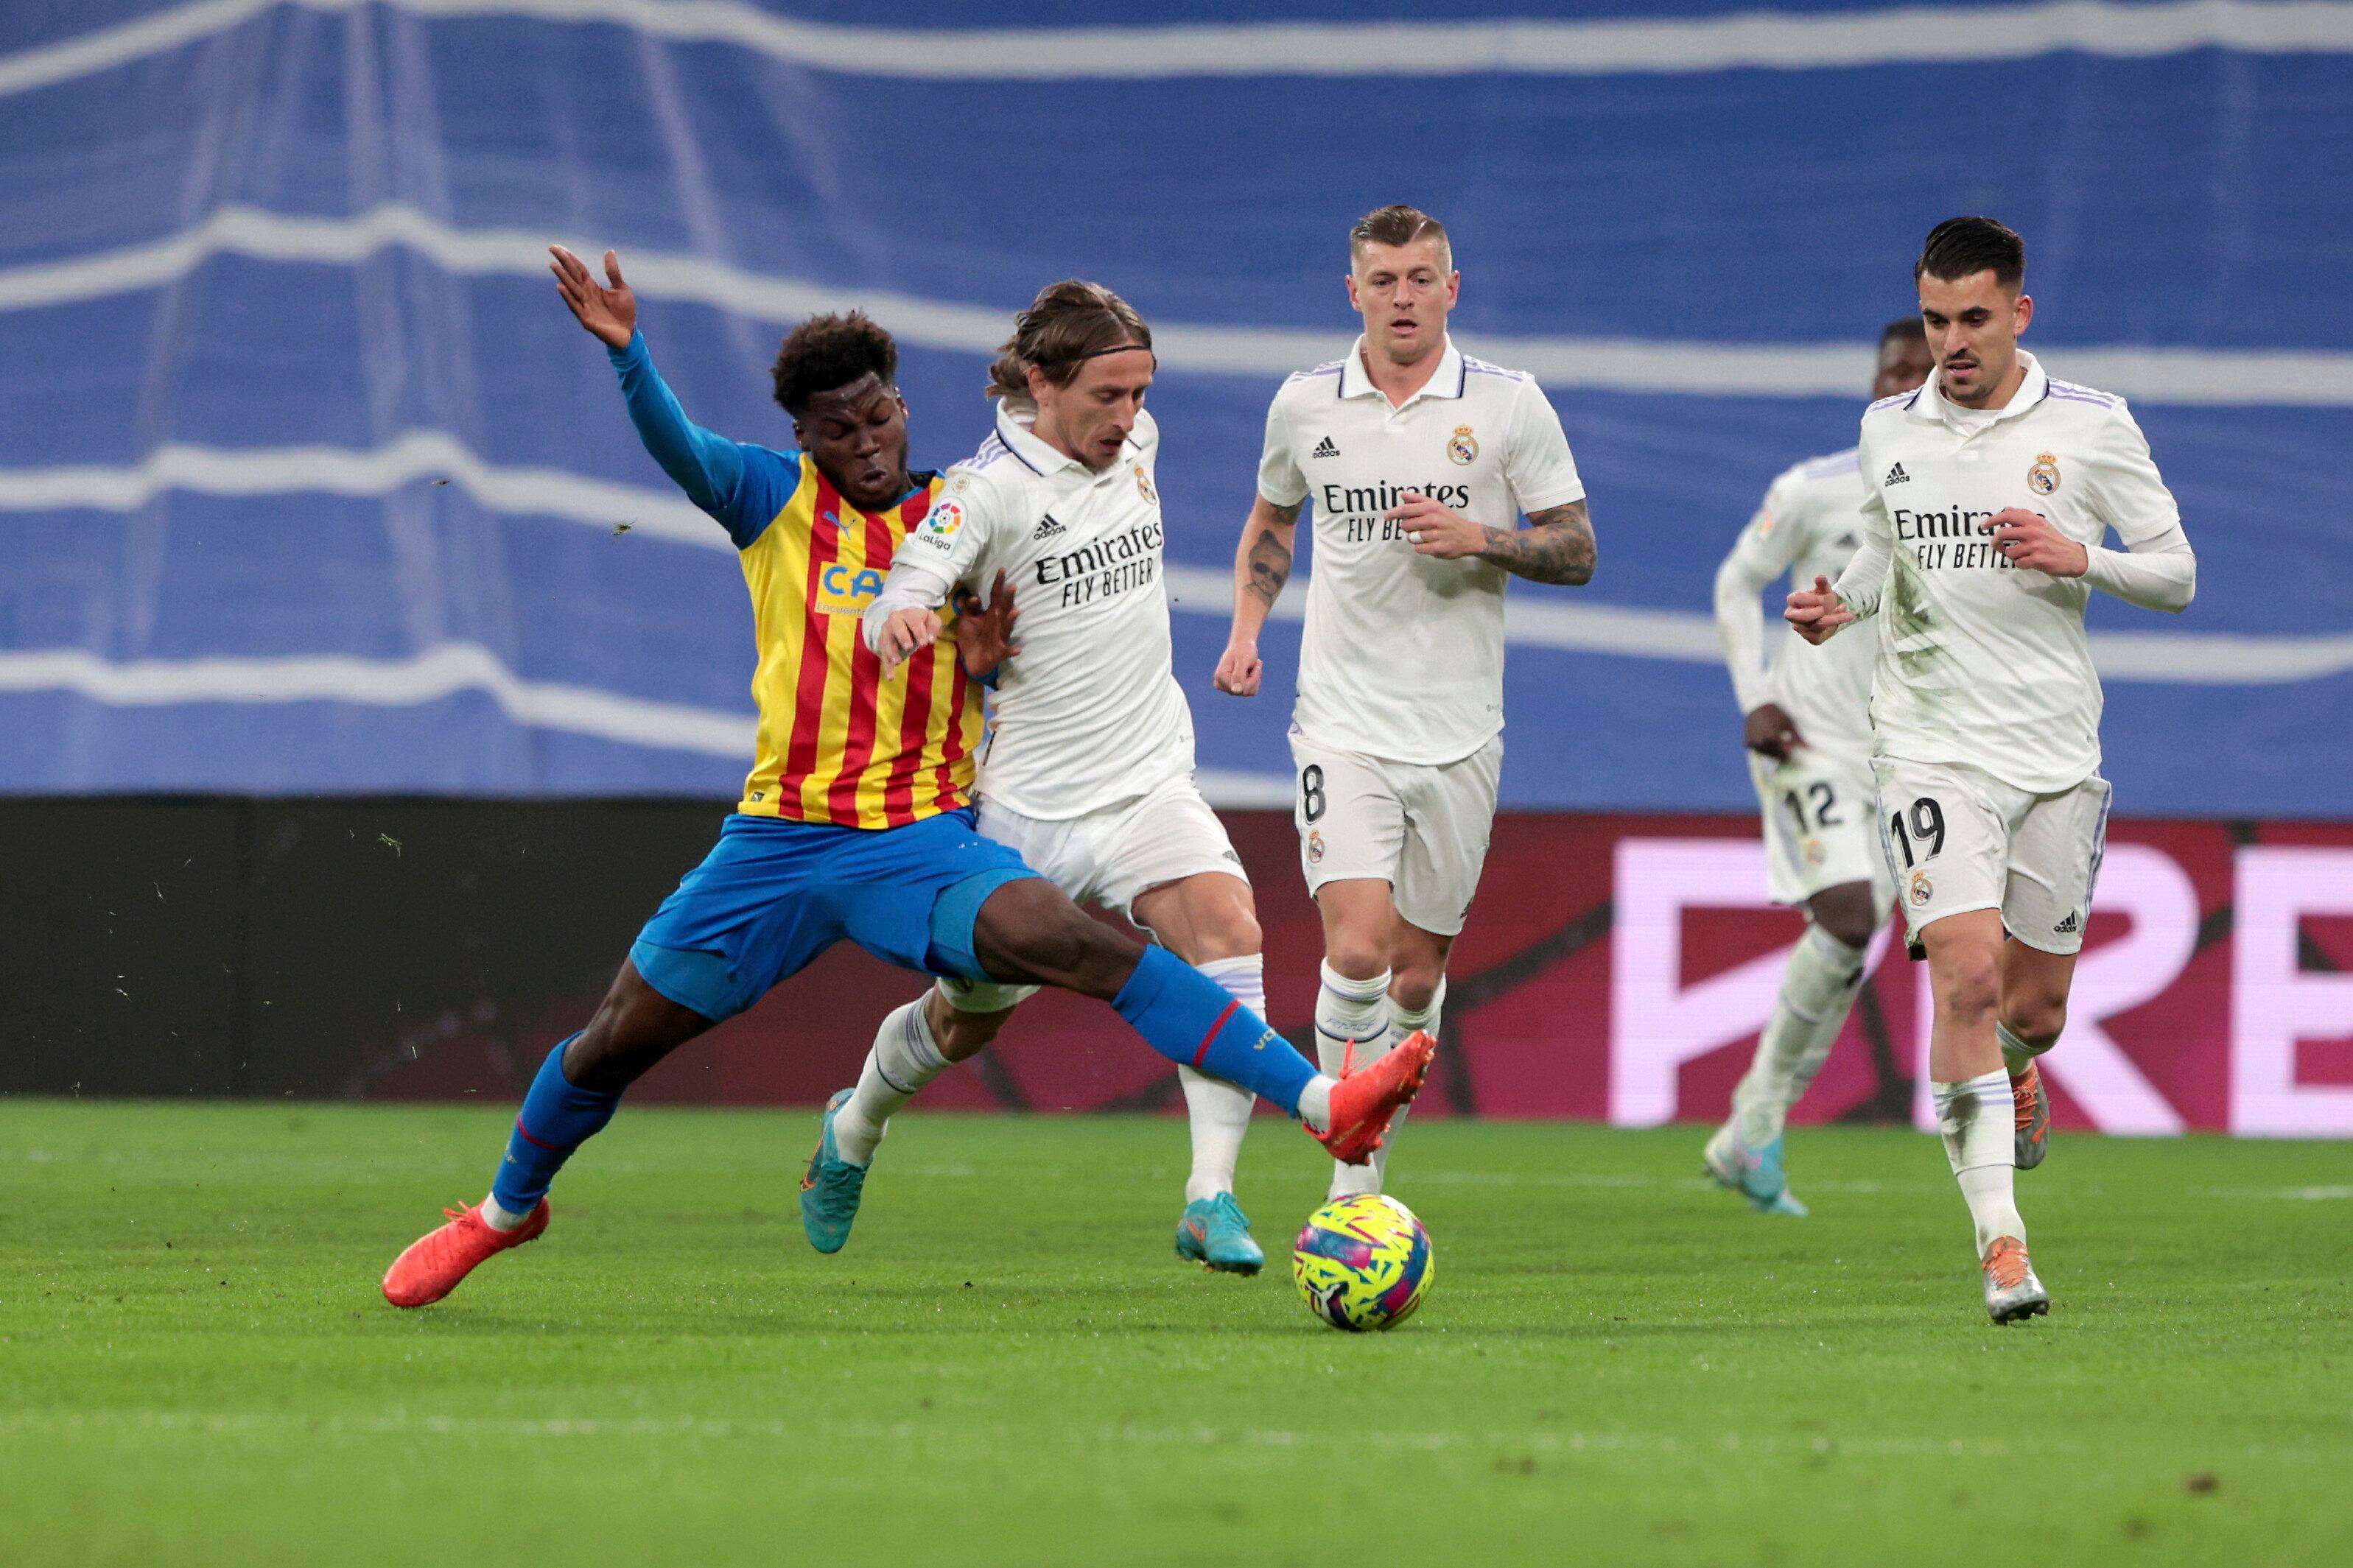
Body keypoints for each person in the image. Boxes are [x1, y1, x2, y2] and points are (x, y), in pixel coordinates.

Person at [380, 247, 1427, 1309]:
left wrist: (977, 665)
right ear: (805, 436)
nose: (869, 443)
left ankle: (1316, 1104)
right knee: (613, 1043)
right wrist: (629, 357)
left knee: (1088, 945)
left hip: (917, 840)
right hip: (778, 841)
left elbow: (1039, 614)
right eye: (842, 429)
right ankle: (506, 1212)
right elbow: (682, 452)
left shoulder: (962, 504)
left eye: (880, 418)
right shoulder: (772, 498)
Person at [797, 279, 1336, 1274]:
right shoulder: (985, 489)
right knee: (963, 1023)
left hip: (1146, 783)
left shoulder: (1137, 446)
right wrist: (909, 618)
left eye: (1140, 393)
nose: (1128, 418)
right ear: (1040, 383)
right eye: (1106, 395)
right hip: (1030, 813)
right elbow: (905, 585)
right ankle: (856, 1124)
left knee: (1228, 932)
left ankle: (1209, 1196)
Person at [1786, 217, 2196, 1323]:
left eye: (1972, 318)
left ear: (2019, 312)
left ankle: (2015, 1064)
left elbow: (2177, 575)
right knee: (1961, 974)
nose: (1950, 342)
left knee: (2034, 1009)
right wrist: (1841, 602)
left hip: (2055, 753)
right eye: (1933, 319)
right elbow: (1882, 548)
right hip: (1926, 742)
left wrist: (2082, 557)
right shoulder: (1889, 427)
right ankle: (2002, 1244)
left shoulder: (2092, 429)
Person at [1213, 205, 1595, 1200]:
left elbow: (1577, 546)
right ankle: (1352, 1190)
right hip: (1340, 719)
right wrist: (1247, 630)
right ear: (1354, 293)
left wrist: (1484, 539)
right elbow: (1272, 518)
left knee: (1417, 978)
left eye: (1421, 278)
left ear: (1451, 289)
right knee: (1356, 948)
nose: (1402, 298)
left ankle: (1374, 1152)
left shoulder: (1508, 406)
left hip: (1461, 731)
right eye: (1382, 281)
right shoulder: (1306, 405)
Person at [1702, 317, 1933, 1215]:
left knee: (1858, 935)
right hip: (1807, 737)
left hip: (1906, 752)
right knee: (1844, 916)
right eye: (1888, 369)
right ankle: (1752, 1121)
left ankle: (1751, 1133)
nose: (1899, 383)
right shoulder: (1811, 488)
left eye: (1916, 371)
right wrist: (1753, 694)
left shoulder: (1960, 498)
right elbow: (1734, 581)